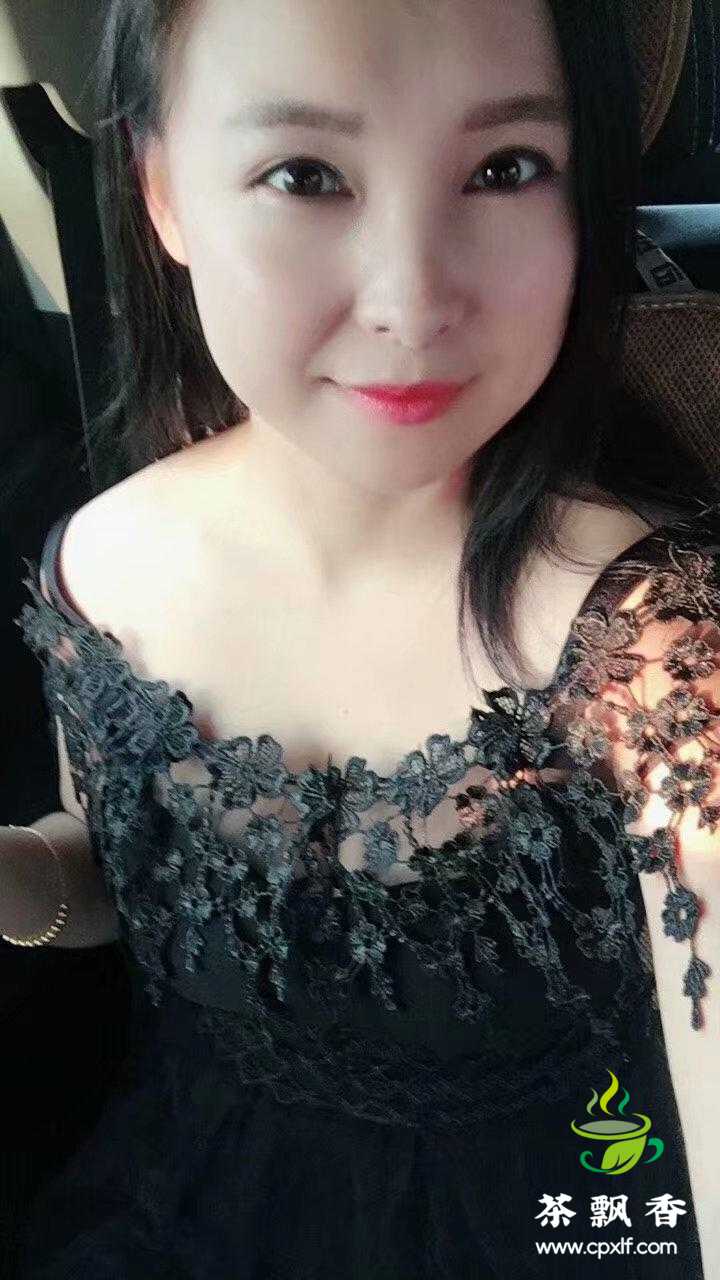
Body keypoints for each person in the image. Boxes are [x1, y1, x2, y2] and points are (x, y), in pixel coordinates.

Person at [4, 0, 719, 1275]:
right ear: (163, 194)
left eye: (506, 169)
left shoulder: (657, 652)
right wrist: (18, 876)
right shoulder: (98, 565)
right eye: (305, 175)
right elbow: (111, 872)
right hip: (193, 1200)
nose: (412, 299)